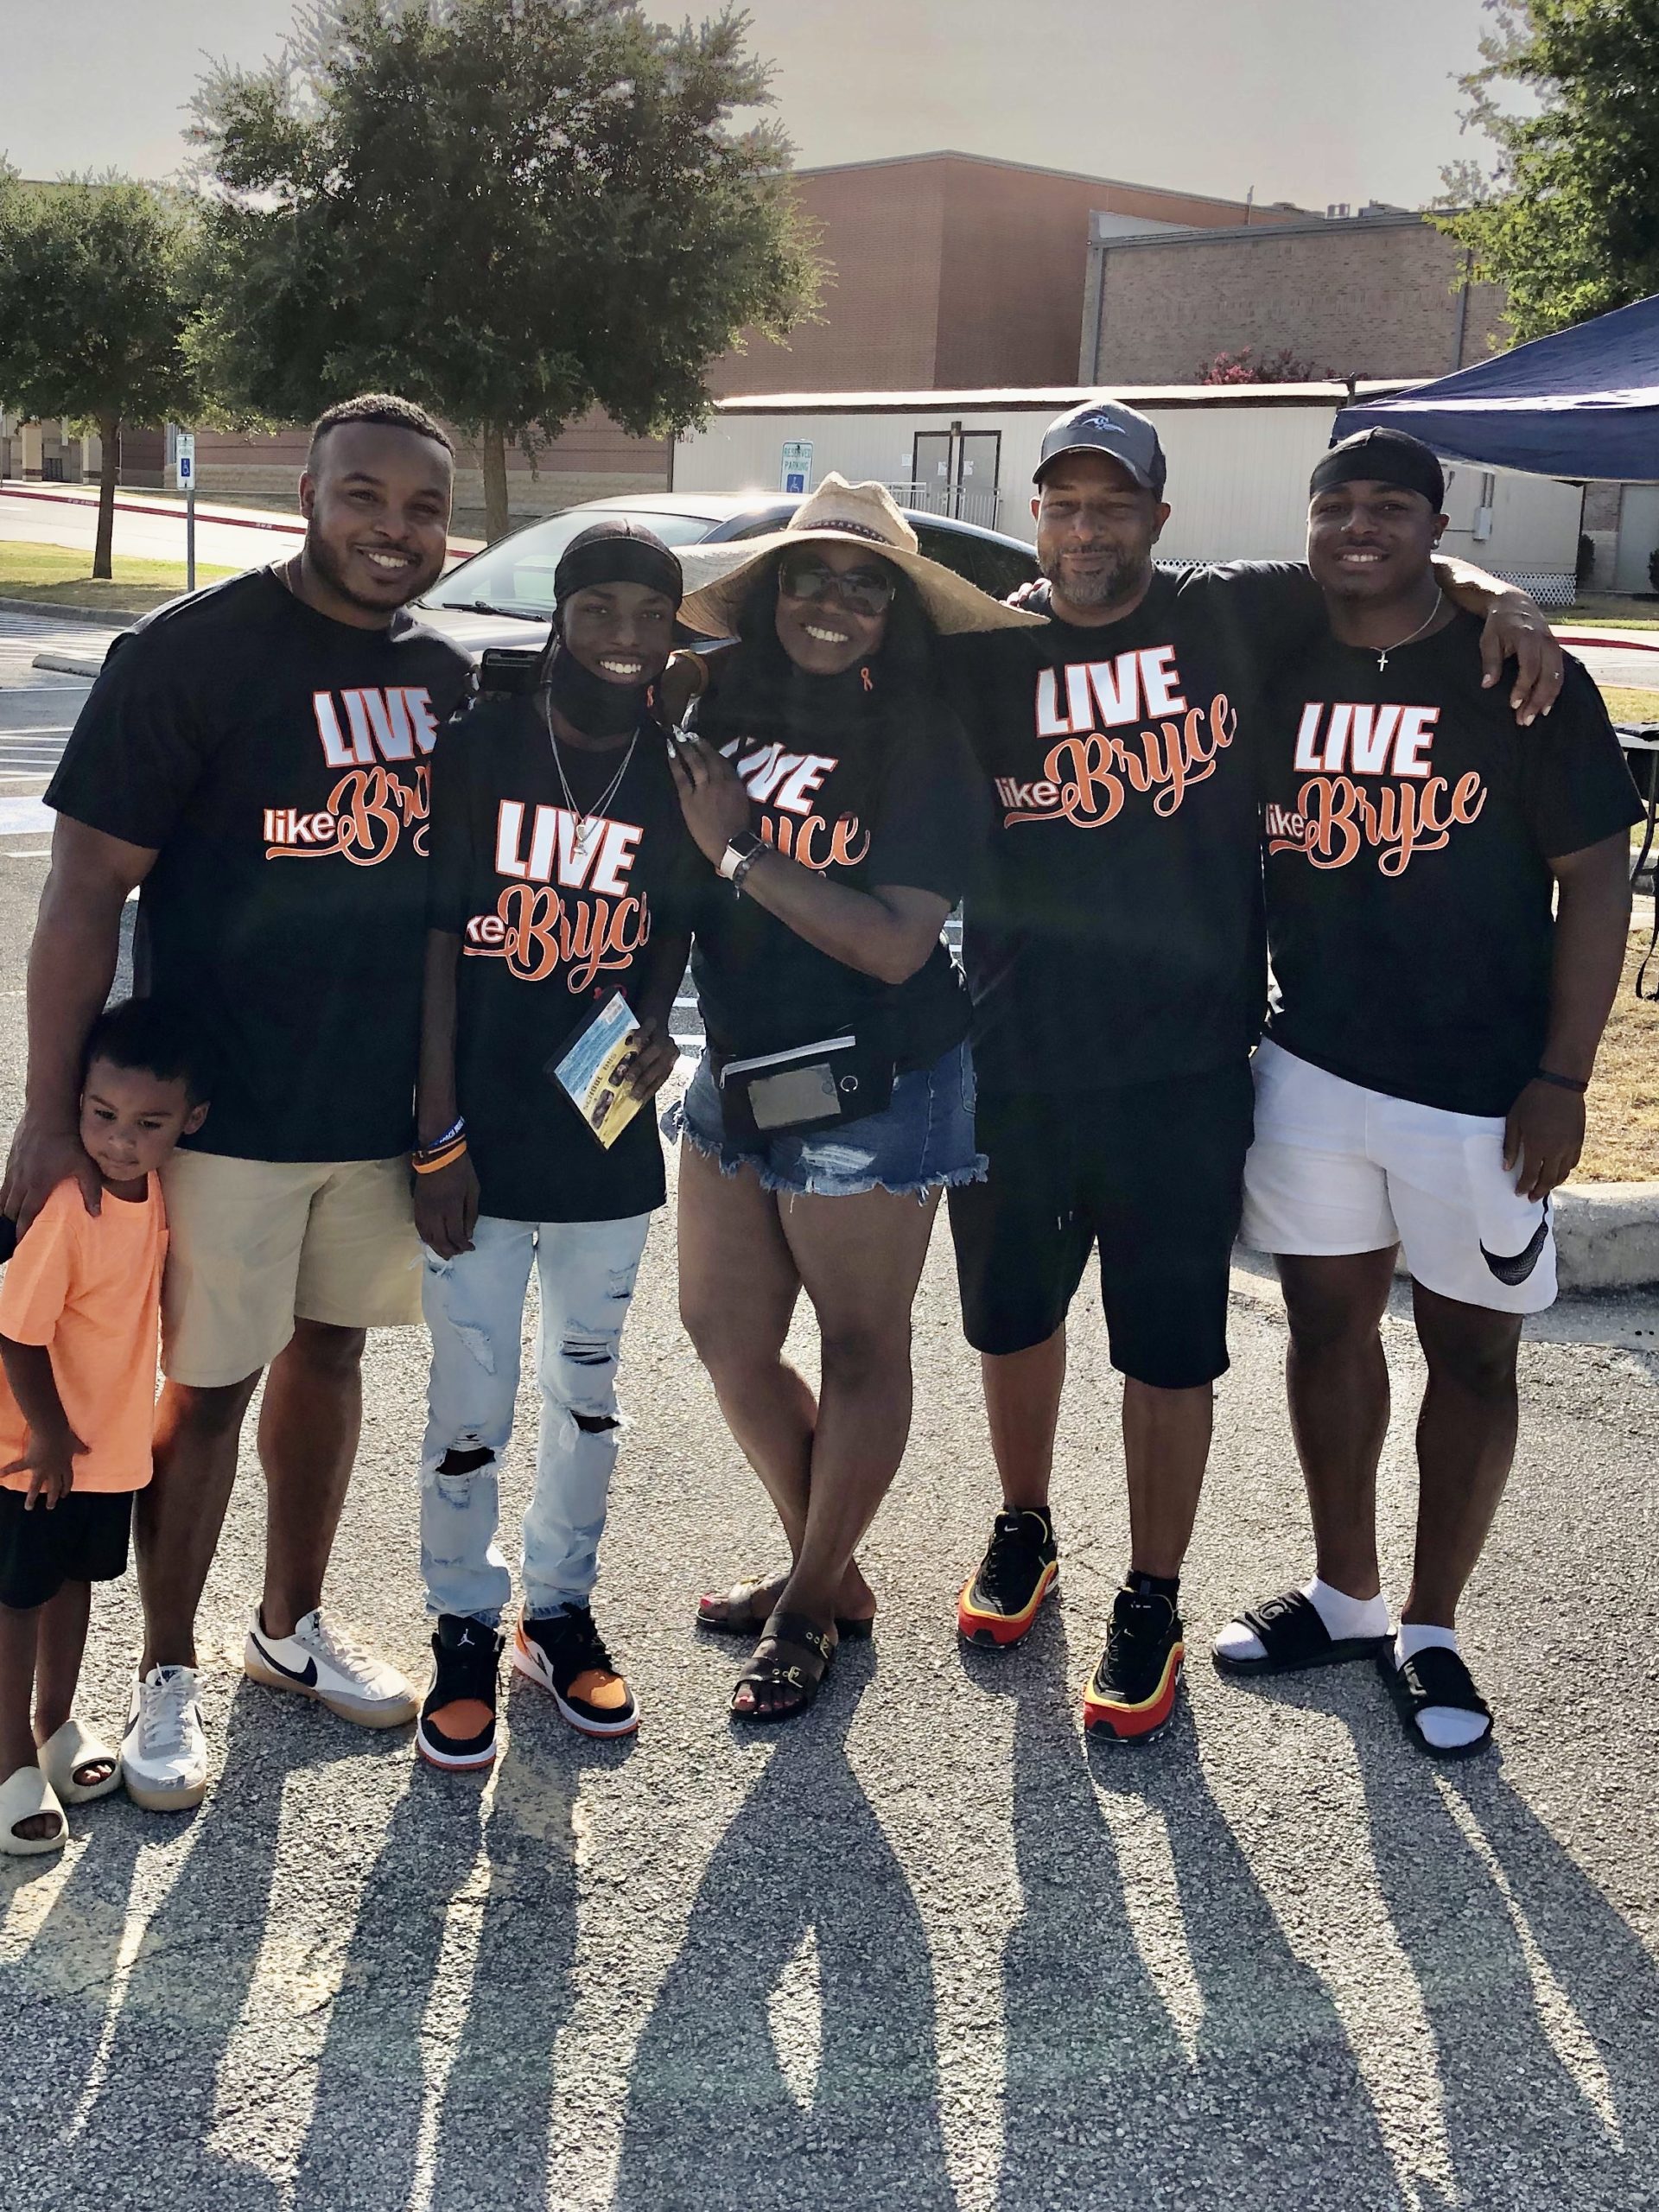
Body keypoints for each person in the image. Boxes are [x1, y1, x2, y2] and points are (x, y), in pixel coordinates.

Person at [942, 398, 1566, 1741]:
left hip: (1188, 1066)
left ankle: (1153, 1594)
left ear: (1160, 518)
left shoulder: (1226, 612)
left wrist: (1502, 591)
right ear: (1034, 515)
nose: (1089, 529)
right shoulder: (984, 646)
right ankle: (1024, 1526)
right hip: (1015, 1058)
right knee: (1013, 1319)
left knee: (1170, 1345)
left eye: (1116, 505)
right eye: (1065, 504)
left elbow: (1379, 552)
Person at [2, 394, 473, 1810]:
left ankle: (288, 1629)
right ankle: (166, 1677)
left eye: (424, 508)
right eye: (364, 495)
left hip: (371, 1114)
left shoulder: (447, 677)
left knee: (333, 1360)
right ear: (309, 496)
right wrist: (49, 1112)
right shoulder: (189, 654)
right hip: (220, 1116)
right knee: (205, 1393)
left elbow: (455, 917)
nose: (393, 529)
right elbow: (84, 891)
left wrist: (441, 1119)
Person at [1212, 428, 1642, 1757]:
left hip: (1480, 1087)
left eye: (1390, 508)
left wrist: (1563, 1076)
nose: (1359, 526)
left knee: (1472, 1354)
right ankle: (1346, 1593)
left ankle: (1433, 1625)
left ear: (1436, 527)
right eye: (1336, 504)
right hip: (1310, 1064)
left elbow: (1597, 877)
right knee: (1324, 1331)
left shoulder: (1517, 673)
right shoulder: (1276, 652)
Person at [664, 475, 1038, 1721]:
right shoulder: (719, 699)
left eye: (865, 586)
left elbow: (892, 943)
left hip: (880, 1078)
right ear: (773, 591)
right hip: (738, 1067)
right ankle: (829, 1569)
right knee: (724, 1331)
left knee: (861, 1342)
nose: (833, 603)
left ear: (896, 610)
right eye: (811, 577)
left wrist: (739, 851)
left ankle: (808, 1604)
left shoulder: (920, 737)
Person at [412, 523, 701, 1769]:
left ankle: (559, 1612)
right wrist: (435, 1132)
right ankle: (464, 1622)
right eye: (600, 610)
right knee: (469, 1398)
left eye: (651, 614)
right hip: (474, 1134)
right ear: (561, 617)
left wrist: (653, 1040)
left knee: (589, 1395)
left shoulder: (677, 768)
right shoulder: (483, 745)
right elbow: (435, 938)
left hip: (603, 1127)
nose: (625, 638)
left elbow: (674, 931)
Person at [1, 1002, 207, 1850]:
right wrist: (47, 1434)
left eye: (148, 1124)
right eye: (102, 1115)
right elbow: (16, 1332)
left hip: (105, 1447)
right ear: (78, 1102)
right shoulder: (68, 1206)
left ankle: (54, 1726)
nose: (120, 1140)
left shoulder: (156, 1194)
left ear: (191, 1121)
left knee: (74, 1582)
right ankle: (9, 1758)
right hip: (33, 1451)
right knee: (17, 1599)